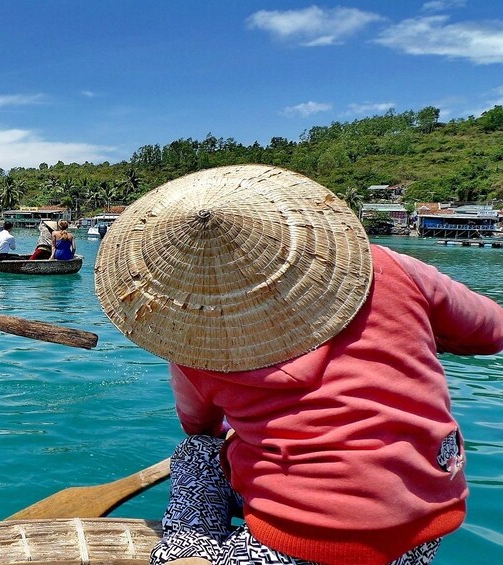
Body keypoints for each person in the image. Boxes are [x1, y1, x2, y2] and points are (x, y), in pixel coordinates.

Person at [93, 165, 503, 565]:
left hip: (298, 544)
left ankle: (184, 553)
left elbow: (199, 426)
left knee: (198, 451)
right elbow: (492, 332)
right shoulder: (394, 267)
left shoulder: (193, 336)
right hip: (425, 523)